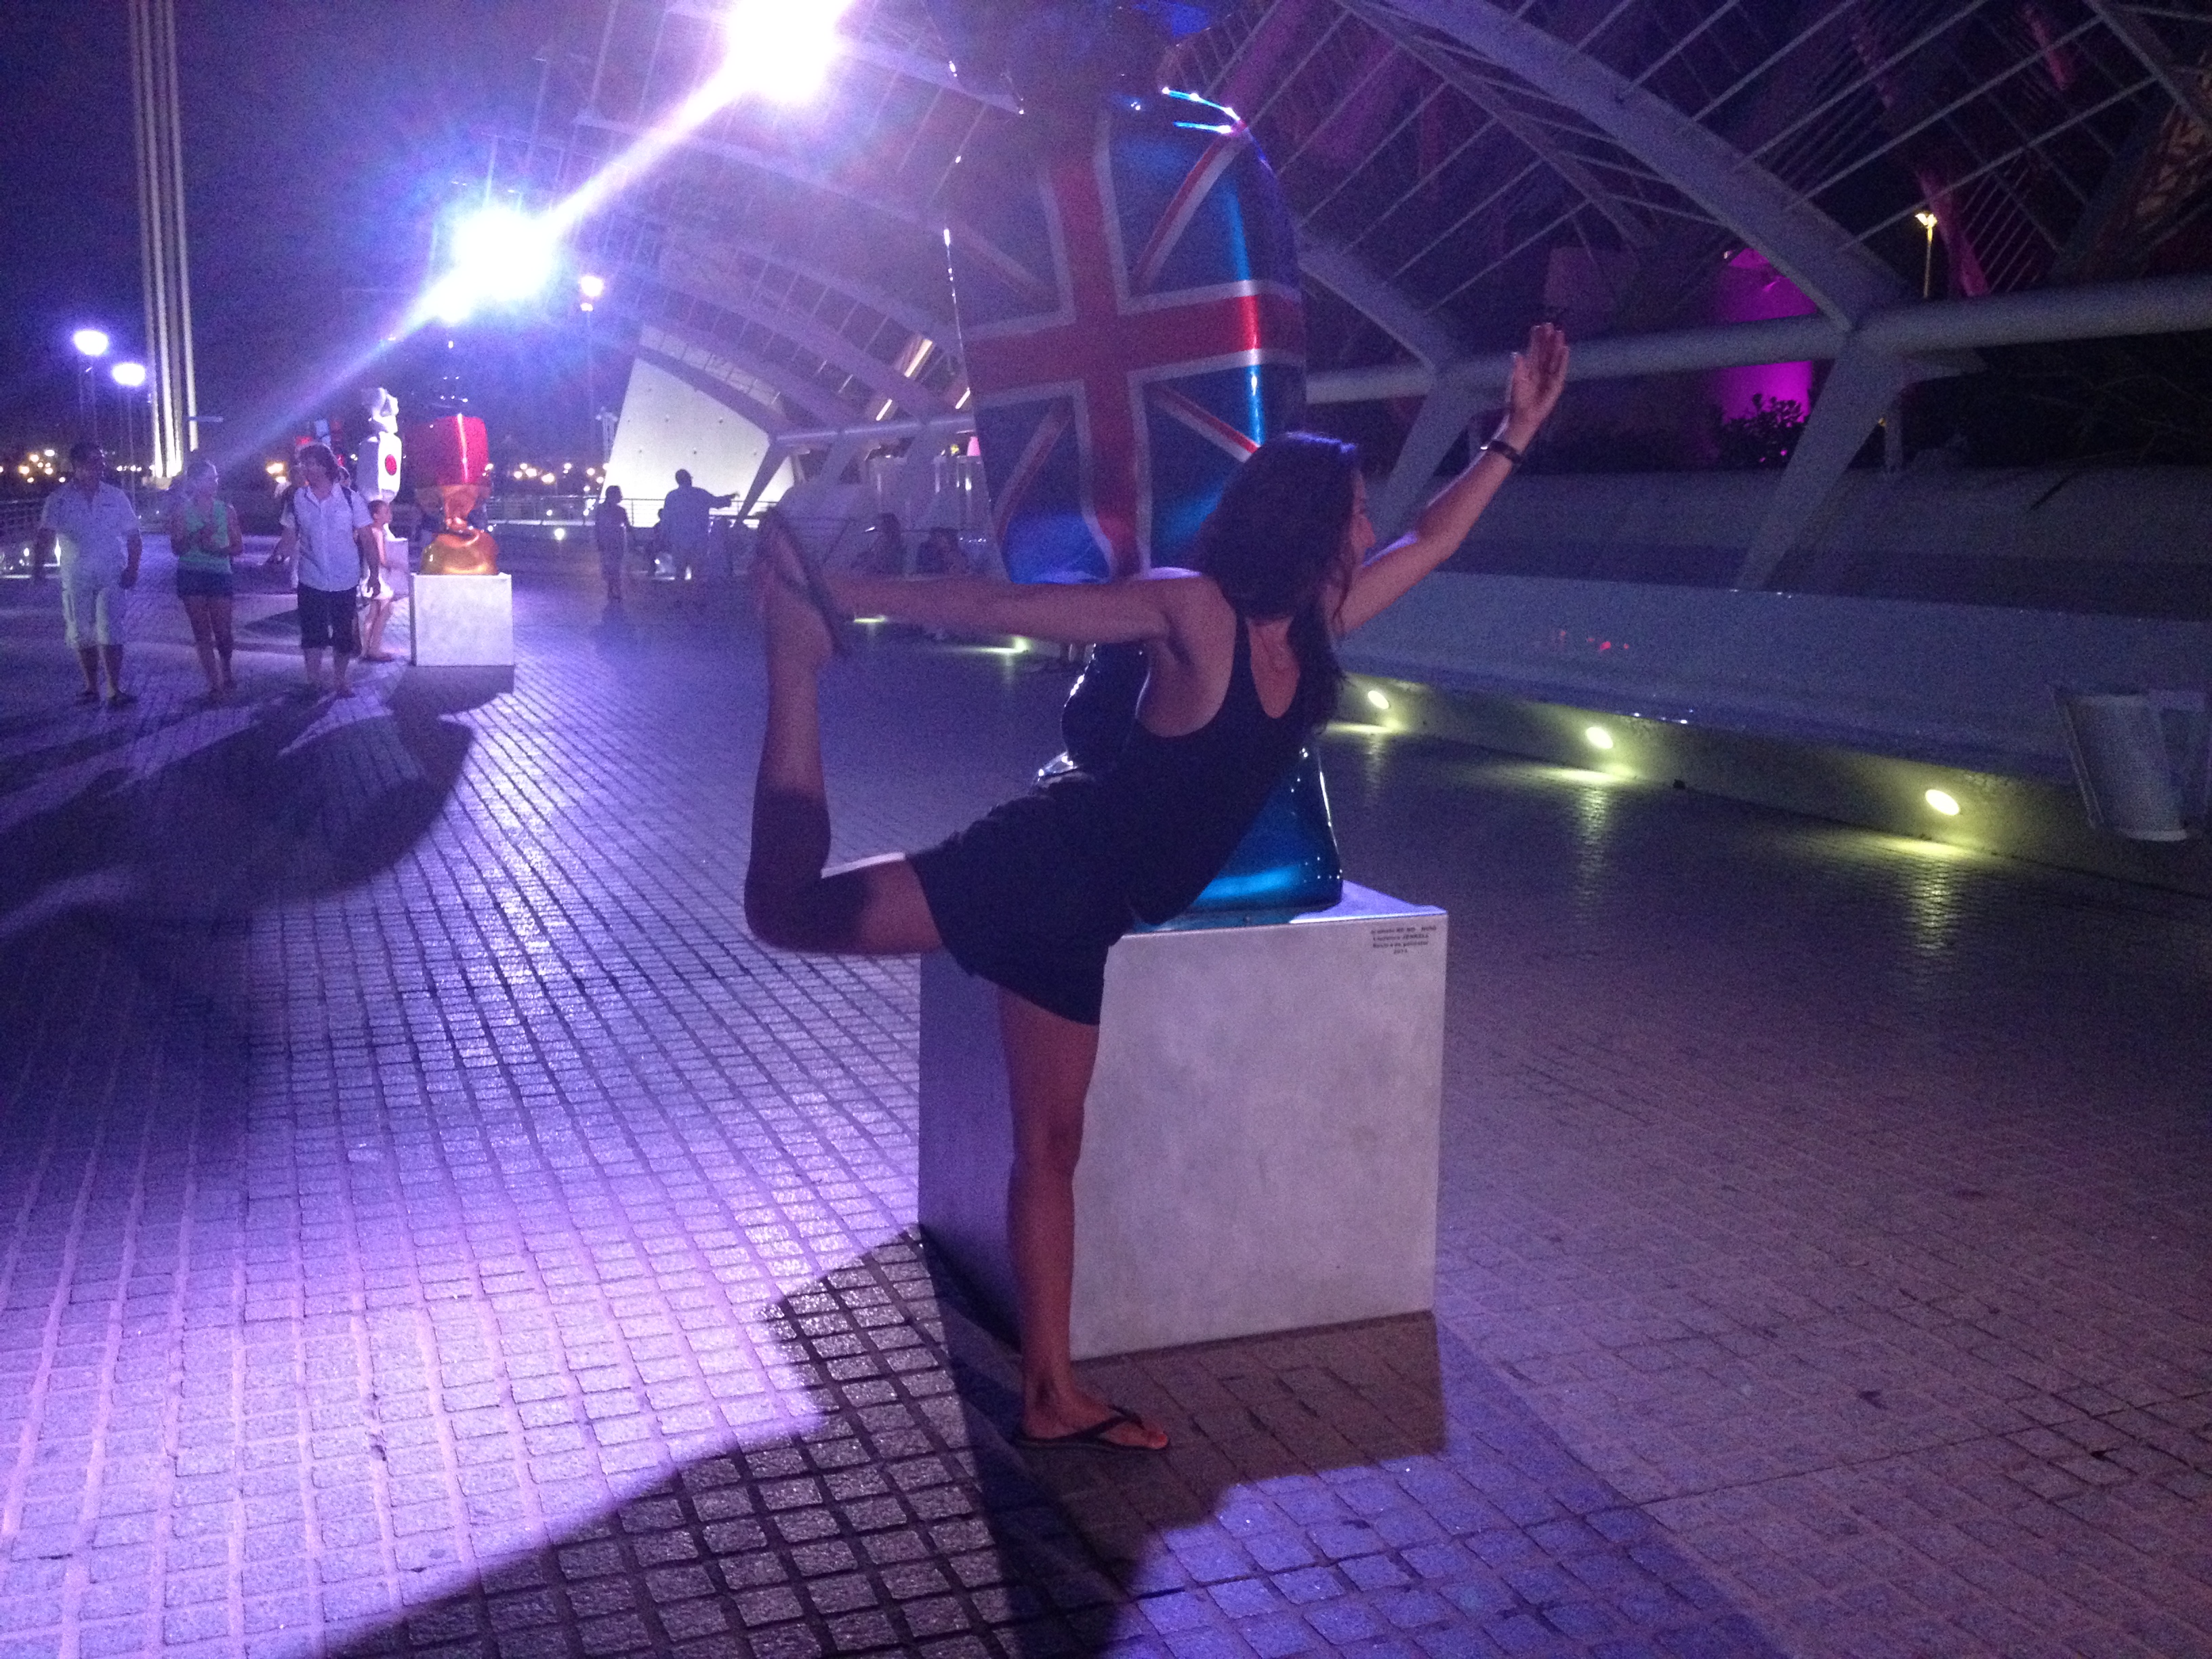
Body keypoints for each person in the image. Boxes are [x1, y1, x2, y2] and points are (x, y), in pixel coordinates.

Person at [746, 324, 1570, 1452]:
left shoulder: (1311, 631)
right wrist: (831, 589)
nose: (1365, 532)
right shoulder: (1193, 611)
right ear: (1304, 523)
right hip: (1039, 868)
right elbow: (1004, 610)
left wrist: (1514, 434)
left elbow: (1432, 538)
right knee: (783, 911)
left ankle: (1049, 1396)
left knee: (1052, 1146)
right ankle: (793, 666)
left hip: (1083, 920)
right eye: (1351, 514)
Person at [31, 441, 142, 707]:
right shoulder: (59, 499)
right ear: (77, 466)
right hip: (76, 574)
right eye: (93, 461)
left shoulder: (116, 497)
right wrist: (38, 568)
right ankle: (91, 687)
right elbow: (45, 536)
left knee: (111, 629)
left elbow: (133, 536)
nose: (99, 466)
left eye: (101, 461)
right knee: (81, 631)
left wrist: (133, 568)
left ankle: (114, 688)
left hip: (111, 573)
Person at [272, 443, 380, 697]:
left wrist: (374, 575)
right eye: (304, 463)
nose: (305, 468)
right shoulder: (298, 499)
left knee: (343, 635)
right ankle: (313, 681)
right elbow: (290, 534)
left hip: (345, 579)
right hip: (311, 577)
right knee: (312, 633)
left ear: (324, 466)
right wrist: (279, 555)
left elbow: (367, 538)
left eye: (310, 463)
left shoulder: (350, 499)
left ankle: (340, 679)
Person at [166, 458, 241, 696]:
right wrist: (198, 536)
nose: (215, 483)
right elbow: (177, 548)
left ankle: (226, 668)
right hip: (191, 573)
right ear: (195, 482)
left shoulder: (226, 510)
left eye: (216, 478)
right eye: (210, 479)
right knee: (201, 632)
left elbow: (238, 546)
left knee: (223, 632)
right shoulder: (182, 511)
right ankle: (214, 682)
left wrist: (218, 551)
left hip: (219, 573)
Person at [660, 469, 735, 583]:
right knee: (698, 573)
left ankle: (679, 594)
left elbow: (666, 519)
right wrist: (728, 498)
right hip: (699, 539)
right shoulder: (700, 493)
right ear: (689, 479)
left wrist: (665, 535)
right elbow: (716, 502)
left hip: (679, 539)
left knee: (680, 573)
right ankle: (696, 594)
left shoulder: (672, 496)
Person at [359, 498, 408, 663]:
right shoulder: (378, 532)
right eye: (386, 512)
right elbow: (382, 559)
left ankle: (365, 649)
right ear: (376, 516)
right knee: (385, 611)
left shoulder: (370, 531)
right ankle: (375, 649)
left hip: (370, 574)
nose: (390, 514)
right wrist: (399, 565)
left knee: (373, 613)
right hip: (378, 576)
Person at [593, 486, 632, 607]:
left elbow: (597, 526)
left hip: (607, 541)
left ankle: (611, 589)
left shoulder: (601, 509)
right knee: (615, 566)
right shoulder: (620, 510)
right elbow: (628, 526)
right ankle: (616, 589)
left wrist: (599, 541)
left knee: (609, 566)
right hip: (616, 541)